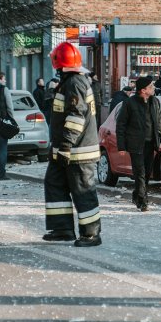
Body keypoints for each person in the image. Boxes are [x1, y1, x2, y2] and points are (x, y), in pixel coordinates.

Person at [42, 42, 102, 247]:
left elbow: (76, 117)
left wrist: (66, 146)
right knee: (54, 184)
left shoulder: (75, 82)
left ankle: (91, 234)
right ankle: (62, 229)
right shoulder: (69, 81)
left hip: (77, 151)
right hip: (64, 149)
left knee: (83, 191)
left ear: (58, 63)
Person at [116, 76, 161, 211]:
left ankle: (136, 194)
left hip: (151, 143)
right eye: (151, 86)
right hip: (135, 143)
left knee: (147, 172)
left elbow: (159, 123)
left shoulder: (155, 102)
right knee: (140, 172)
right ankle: (142, 201)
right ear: (143, 90)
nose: (154, 88)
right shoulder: (130, 103)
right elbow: (121, 125)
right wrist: (121, 146)